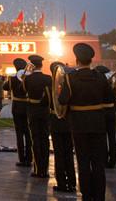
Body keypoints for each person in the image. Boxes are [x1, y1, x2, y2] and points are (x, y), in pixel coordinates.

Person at [58, 43, 111, 201]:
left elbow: (62, 100)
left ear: (77, 60)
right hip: (98, 123)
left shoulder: (70, 78)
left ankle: (87, 196)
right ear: (91, 60)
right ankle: (99, 196)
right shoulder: (100, 77)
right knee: (98, 163)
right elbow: (111, 98)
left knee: (83, 162)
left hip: (79, 124)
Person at [46, 61, 76, 193]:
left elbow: (46, 103)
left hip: (56, 122)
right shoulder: (70, 84)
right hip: (69, 122)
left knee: (59, 153)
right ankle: (72, 182)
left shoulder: (50, 86)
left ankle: (62, 183)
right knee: (69, 153)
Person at [23, 54, 51, 178]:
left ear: (32, 66)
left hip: (33, 110)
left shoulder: (28, 79)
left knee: (35, 139)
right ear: (42, 65)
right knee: (45, 138)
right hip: (44, 111)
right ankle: (45, 169)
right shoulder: (48, 78)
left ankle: (38, 168)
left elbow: (23, 90)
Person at [5, 57, 32, 167]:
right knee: (28, 133)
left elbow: (5, 87)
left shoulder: (12, 79)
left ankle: (21, 159)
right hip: (28, 107)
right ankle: (29, 158)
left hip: (17, 107)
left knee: (19, 134)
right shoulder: (29, 77)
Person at [95, 64, 116, 169]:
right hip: (111, 112)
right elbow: (115, 99)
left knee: (102, 138)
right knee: (112, 137)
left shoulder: (98, 86)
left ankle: (104, 159)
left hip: (101, 112)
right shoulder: (111, 85)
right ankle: (113, 160)